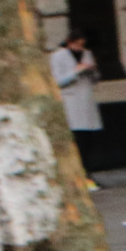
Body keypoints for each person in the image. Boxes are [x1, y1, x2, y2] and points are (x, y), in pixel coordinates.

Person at [50, 32, 102, 191]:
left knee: (88, 141)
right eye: (77, 45)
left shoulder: (87, 54)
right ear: (69, 43)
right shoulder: (58, 56)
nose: (80, 48)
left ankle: (88, 174)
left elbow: (95, 79)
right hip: (71, 102)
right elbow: (57, 81)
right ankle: (79, 177)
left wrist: (92, 70)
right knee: (77, 140)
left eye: (82, 45)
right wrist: (76, 71)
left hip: (86, 102)